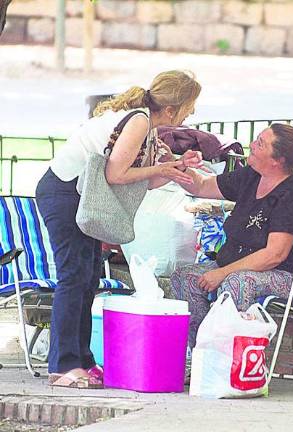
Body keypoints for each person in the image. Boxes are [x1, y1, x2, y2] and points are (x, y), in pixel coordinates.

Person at [36, 70, 203, 388]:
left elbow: (149, 179)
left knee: (89, 278)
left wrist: (176, 167)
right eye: (189, 106)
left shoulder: (148, 125)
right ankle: (63, 366)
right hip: (65, 193)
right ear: (171, 108)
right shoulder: (139, 120)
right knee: (74, 277)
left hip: (82, 197)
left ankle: (82, 359)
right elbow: (116, 174)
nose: (191, 113)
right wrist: (165, 166)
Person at [170, 123, 293, 349]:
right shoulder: (251, 176)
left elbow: (274, 255)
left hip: (290, 277)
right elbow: (200, 186)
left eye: (260, 143)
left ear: (277, 160)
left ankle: (231, 360)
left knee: (238, 282)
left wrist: (222, 272)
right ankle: (200, 353)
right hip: (239, 267)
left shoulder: (292, 196)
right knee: (185, 276)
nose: (251, 145)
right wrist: (173, 165)